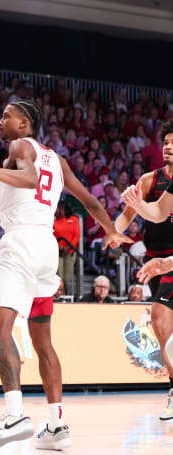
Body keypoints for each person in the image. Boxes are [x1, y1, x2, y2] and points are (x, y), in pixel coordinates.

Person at [0, 100, 129, 450]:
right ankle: (55, 425)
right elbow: (90, 203)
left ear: (24, 125)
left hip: (20, 243)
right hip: (47, 248)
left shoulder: (20, 146)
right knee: (43, 341)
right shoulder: (59, 160)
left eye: (8, 116)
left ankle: (15, 414)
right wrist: (110, 230)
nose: (1, 120)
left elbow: (29, 179)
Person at [119, 120, 173, 419]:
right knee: (163, 325)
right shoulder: (153, 180)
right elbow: (152, 212)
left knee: (160, 314)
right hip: (157, 260)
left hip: (169, 263)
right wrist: (115, 230)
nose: (168, 146)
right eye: (166, 141)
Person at [53, 202, 80, 294]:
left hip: (70, 251)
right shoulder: (53, 221)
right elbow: (51, 236)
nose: (59, 210)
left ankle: (68, 294)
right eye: (57, 208)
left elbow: (76, 236)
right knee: (59, 275)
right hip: (58, 252)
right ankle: (61, 294)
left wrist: (69, 247)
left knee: (67, 276)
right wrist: (59, 247)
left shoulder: (74, 220)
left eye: (60, 208)